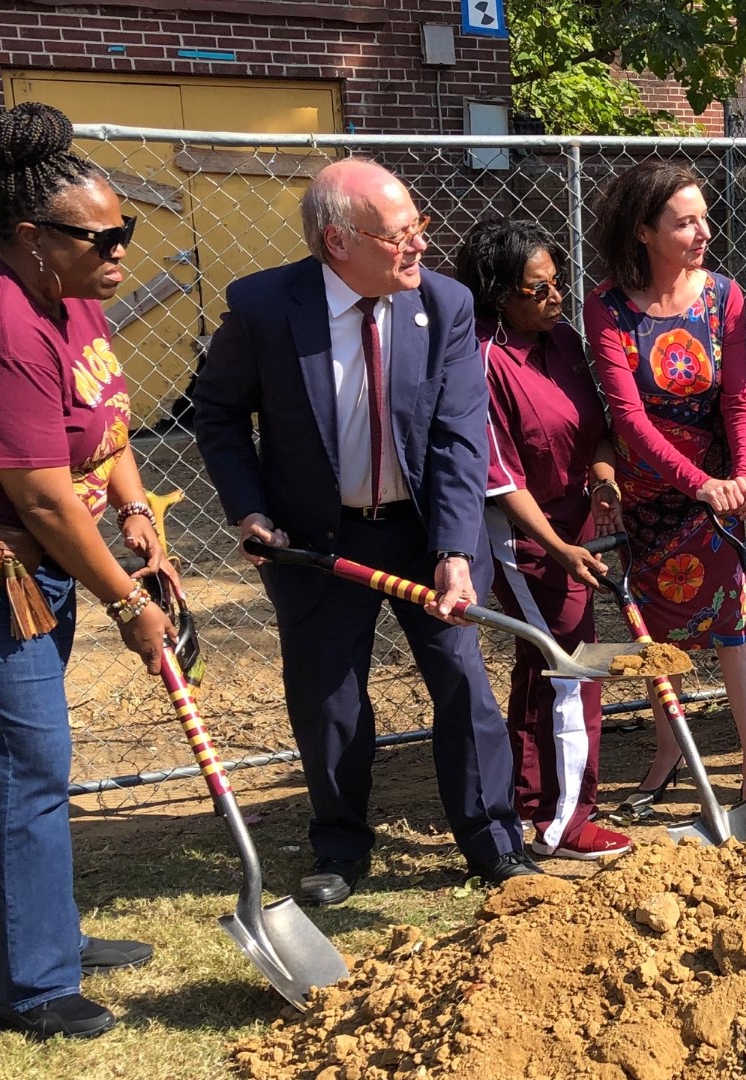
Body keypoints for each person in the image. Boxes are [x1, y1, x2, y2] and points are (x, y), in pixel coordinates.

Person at [194, 158, 539, 907]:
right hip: (315, 542)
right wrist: (249, 510)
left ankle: (492, 841)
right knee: (330, 698)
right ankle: (341, 847)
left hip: (422, 533)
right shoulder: (264, 308)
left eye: (419, 227)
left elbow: (458, 438)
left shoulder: (444, 306)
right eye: (400, 234)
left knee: (463, 683)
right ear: (338, 242)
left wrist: (454, 551)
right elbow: (216, 413)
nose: (419, 244)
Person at [0, 102, 170, 1040]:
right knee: (27, 759)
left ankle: (33, 937)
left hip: (39, 564)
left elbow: (106, 426)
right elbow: (39, 500)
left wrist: (140, 510)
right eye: (99, 237)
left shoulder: (72, 303)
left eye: (124, 232)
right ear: (31, 238)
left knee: (11, 761)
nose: (118, 251)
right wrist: (128, 600)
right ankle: (33, 987)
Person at [584, 160, 746, 812]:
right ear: (643, 231)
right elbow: (628, 421)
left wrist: (743, 477)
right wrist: (696, 483)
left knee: (733, 630)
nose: (702, 232)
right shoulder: (607, 306)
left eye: (704, 217)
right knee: (657, 637)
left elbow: (742, 400)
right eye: (684, 221)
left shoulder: (724, 296)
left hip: (718, 499)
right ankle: (669, 753)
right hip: (652, 501)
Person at [450, 217, 631, 860]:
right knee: (575, 665)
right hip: (524, 536)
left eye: (558, 283)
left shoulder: (565, 341)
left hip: (578, 517)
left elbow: (597, 431)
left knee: (544, 659)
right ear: (499, 294)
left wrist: (604, 479)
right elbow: (498, 478)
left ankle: (531, 798)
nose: (558, 297)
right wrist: (556, 548)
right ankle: (567, 822)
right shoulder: (484, 360)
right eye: (539, 289)